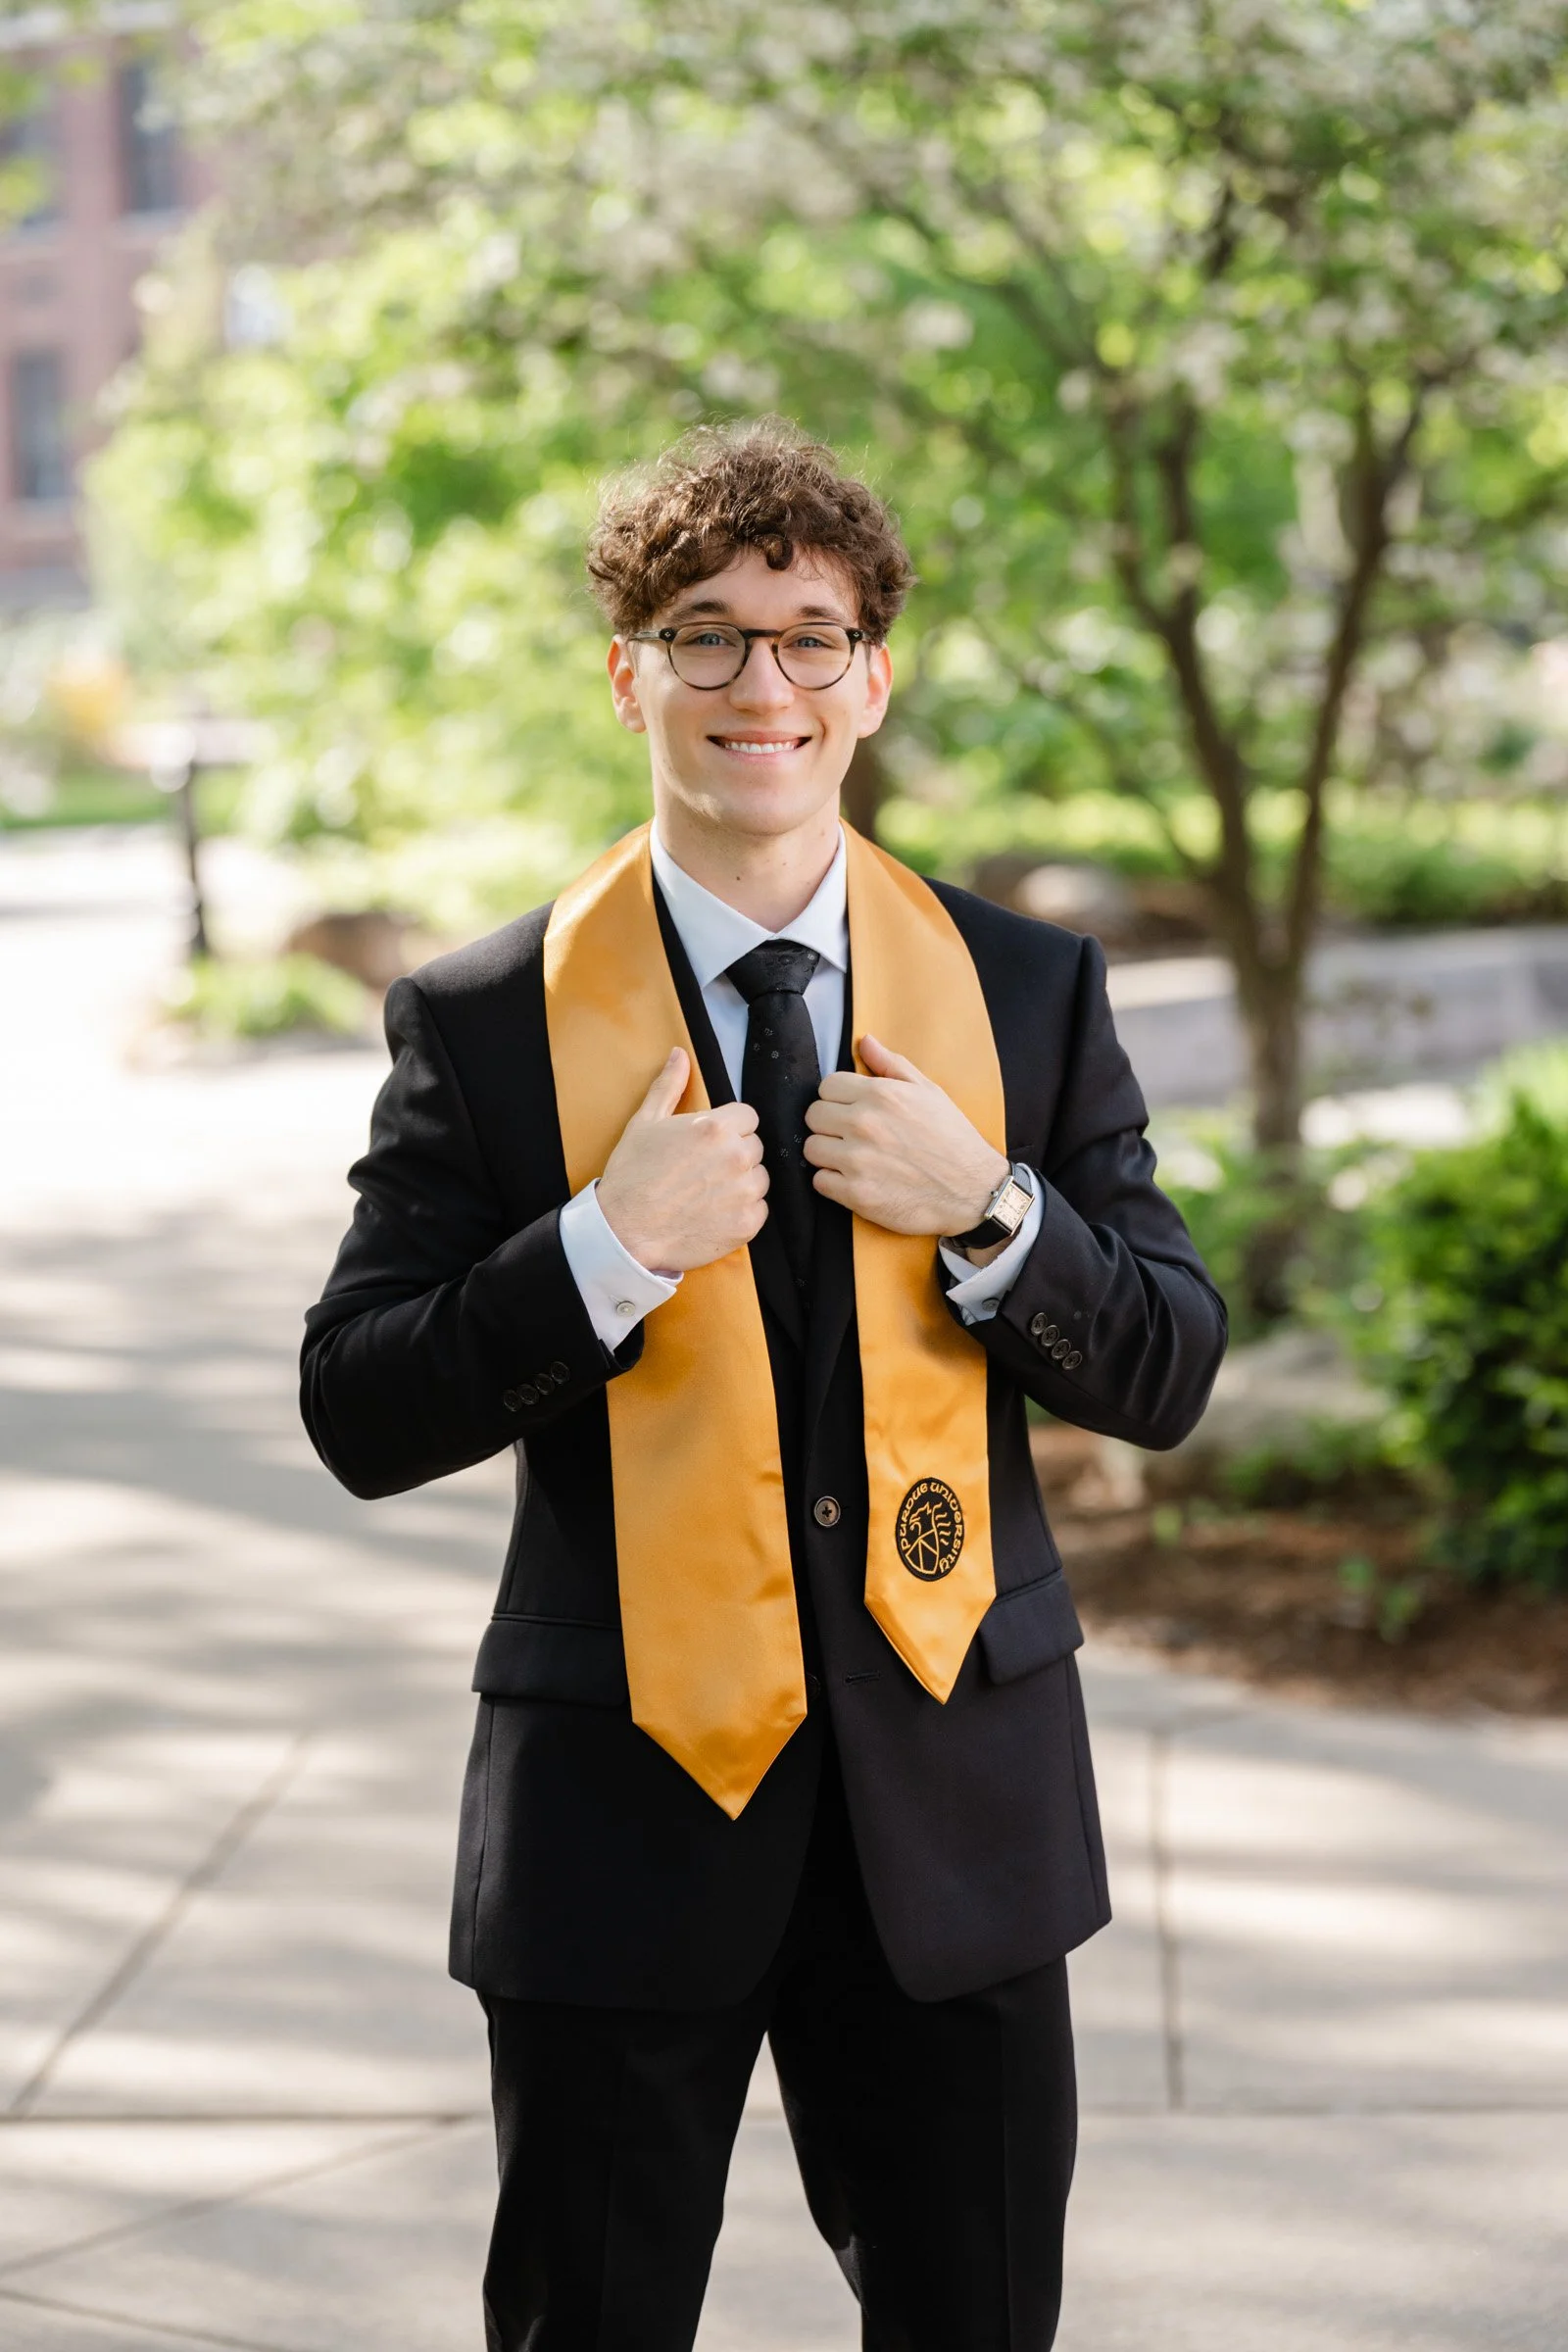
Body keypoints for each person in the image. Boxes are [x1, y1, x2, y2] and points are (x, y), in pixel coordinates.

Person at [302, 419, 1226, 2351]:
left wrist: (989, 1205)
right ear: (624, 673)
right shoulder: (482, 1023)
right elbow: (360, 1408)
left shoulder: (1021, 991)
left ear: (871, 678)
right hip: (618, 1824)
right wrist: (601, 1246)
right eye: (704, 636)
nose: (760, 687)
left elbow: (1163, 1364)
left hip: (952, 1819)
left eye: (808, 638)